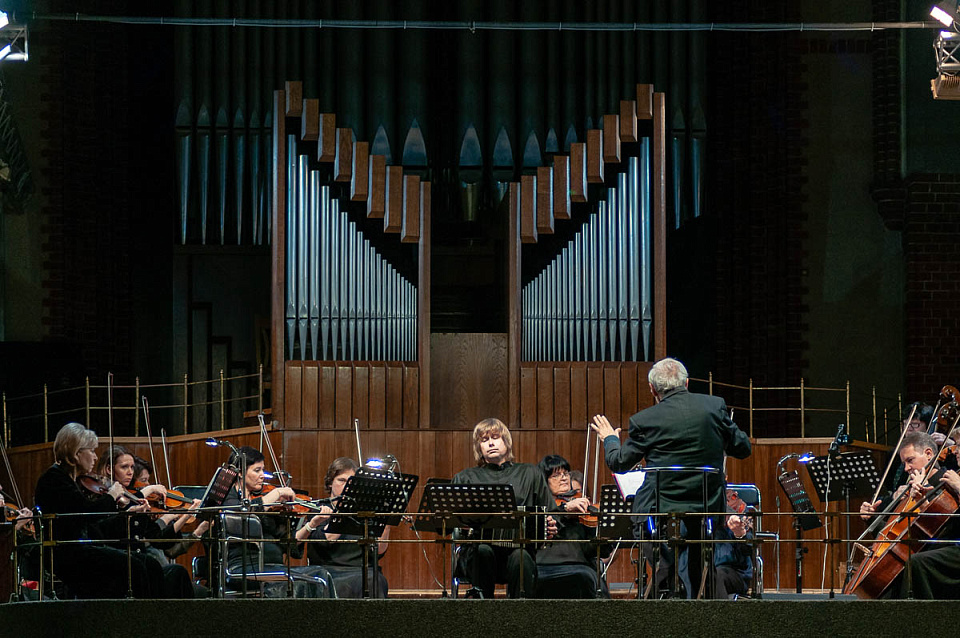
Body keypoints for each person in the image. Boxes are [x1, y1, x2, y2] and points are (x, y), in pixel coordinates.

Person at [590, 357, 752, 599]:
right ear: (686, 383)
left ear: (652, 389)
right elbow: (743, 448)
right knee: (696, 559)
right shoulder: (714, 407)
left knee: (653, 539)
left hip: (660, 512)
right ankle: (691, 591)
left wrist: (609, 439)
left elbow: (619, 462)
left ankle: (667, 577)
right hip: (705, 509)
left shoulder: (645, 420)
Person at [33, 422, 168, 598]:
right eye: (91, 451)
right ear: (76, 453)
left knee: (150, 564)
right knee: (135, 567)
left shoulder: (67, 479)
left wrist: (126, 513)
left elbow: (96, 525)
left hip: (81, 549)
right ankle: (136, 620)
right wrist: (111, 497)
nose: (95, 457)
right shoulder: (53, 480)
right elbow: (85, 513)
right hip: (68, 553)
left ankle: (159, 619)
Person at [451, 418, 558, 599]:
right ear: (479, 448)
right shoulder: (465, 478)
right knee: (483, 550)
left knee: (521, 557)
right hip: (479, 553)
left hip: (519, 550)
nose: (490, 443)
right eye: (484, 440)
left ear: (506, 443)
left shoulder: (530, 473)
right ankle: (483, 613)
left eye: (495, 437)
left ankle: (519, 617)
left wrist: (551, 524)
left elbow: (552, 513)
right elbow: (450, 520)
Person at [219, 445, 333, 598]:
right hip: (244, 567)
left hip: (275, 566)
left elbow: (289, 542)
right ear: (240, 472)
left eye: (263, 470)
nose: (262, 476)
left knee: (321, 574)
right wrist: (276, 493)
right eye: (257, 470)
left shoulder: (268, 504)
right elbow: (241, 515)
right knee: (299, 581)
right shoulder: (228, 497)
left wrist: (312, 524)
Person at [858, 431, 960, 599]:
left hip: (944, 547)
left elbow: (943, 531)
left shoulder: (949, 483)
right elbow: (897, 534)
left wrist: (925, 498)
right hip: (925, 548)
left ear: (928, 454)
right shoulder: (911, 489)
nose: (906, 468)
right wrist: (872, 520)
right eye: (904, 463)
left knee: (913, 563)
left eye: (910, 460)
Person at [96, 445, 198, 598]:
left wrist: (183, 516)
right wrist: (146, 491)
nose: (130, 472)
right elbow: (105, 529)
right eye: (124, 467)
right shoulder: (106, 498)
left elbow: (156, 538)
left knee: (178, 573)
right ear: (110, 470)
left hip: (141, 566)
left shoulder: (132, 498)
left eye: (131, 467)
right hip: (120, 565)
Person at [296, 457, 390, 598]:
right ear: (330, 483)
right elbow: (327, 540)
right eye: (341, 480)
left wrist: (387, 521)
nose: (347, 486)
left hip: (362, 570)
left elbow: (379, 550)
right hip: (328, 571)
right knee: (358, 582)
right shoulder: (319, 509)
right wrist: (344, 510)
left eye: (351, 482)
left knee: (376, 579)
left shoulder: (363, 513)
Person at [535, 454, 611, 598]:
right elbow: (542, 529)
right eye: (556, 475)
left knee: (592, 579)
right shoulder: (540, 506)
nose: (563, 478)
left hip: (579, 564)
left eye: (565, 473)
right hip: (545, 564)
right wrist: (564, 509)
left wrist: (602, 537)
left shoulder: (582, 506)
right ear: (545, 481)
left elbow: (591, 551)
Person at [713, 508, 754, 599]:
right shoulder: (709, 522)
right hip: (709, 571)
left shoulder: (740, 521)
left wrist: (740, 535)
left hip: (736, 574)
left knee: (718, 574)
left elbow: (748, 550)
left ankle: (721, 611)